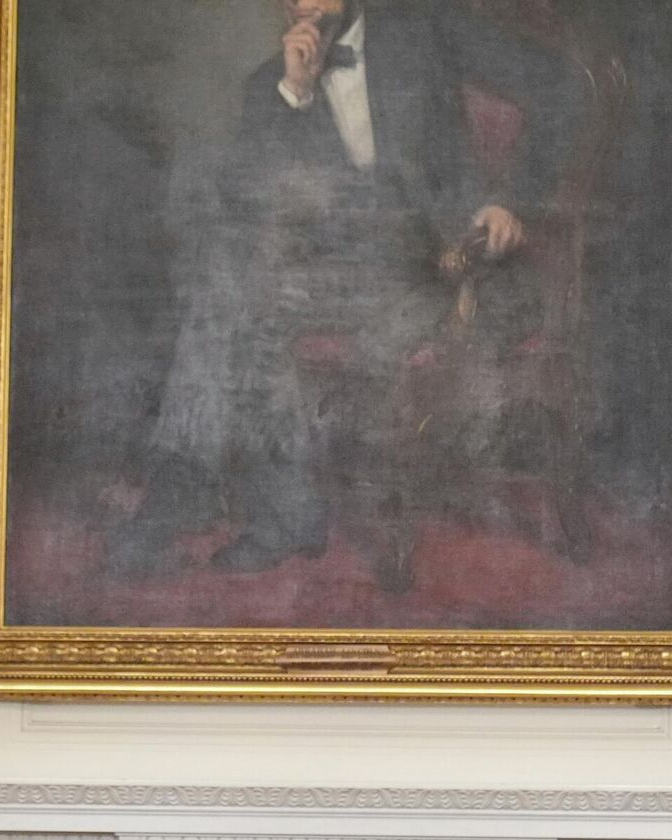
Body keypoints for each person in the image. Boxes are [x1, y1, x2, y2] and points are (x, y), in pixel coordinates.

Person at [110, 0, 580, 577]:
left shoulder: (425, 30)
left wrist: (509, 199)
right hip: (337, 278)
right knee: (229, 283)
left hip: (441, 271)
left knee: (236, 294)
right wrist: (295, 95)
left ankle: (233, 508)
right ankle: (218, 499)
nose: (300, 2)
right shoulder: (270, 85)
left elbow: (560, 84)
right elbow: (243, 205)